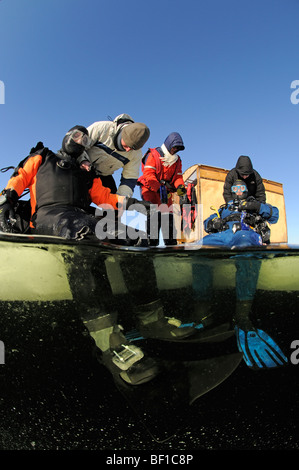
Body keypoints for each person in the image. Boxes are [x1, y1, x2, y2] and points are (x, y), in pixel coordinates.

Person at [0, 125, 194, 385]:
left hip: (81, 215)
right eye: (76, 135)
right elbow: (19, 178)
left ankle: (152, 319)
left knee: (137, 238)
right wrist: (6, 201)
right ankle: (108, 339)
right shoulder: (43, 157)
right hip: (50, 216)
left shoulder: (86, 173)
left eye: (84, 137)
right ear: (66, 136)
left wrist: (139, 205)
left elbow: (106, 197)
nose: (80, 140)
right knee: (85, 237)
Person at [137, 132, 187, 246]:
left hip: (165, 192)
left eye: (178, 148)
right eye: (174, 147)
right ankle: (151, 244)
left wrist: (180, 187)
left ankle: (171, 244)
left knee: (168, 217)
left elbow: (178, 176)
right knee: (154, 215)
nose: (175, 150)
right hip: (150, 189)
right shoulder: (153, 155)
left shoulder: (177, 160)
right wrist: (159, 188)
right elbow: (148, 175)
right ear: (169, 144)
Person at [86, 114, 150, 196]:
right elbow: (77, 147)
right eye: (126, 146)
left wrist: (121, 200)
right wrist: (83, 161)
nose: (127, 150)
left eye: (132, 148)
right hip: (82, 167)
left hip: (103, 175)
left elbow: (129, 178)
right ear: (123, 135)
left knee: (114, 206)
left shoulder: (136, 154)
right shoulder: (102, 129)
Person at [204, 179, 278, 247]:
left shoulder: (253, 204)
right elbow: (207, 222)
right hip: (224, 235)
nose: (238, 191)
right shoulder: (224, 208)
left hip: (247, 232)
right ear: (232, 191)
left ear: (246, 190)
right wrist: (213, 222)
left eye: (242, 188)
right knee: (202, 244)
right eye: (235, 188)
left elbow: (275, 216)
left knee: (243, 241)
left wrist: (257, 206)